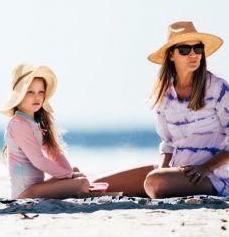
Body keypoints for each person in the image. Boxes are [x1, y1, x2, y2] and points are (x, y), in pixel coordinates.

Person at [95, 21, 228, 198]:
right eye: (184, 50)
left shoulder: (218, 88)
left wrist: (205, 167)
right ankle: (162, 184)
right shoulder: (166, 94)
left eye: (198, 48)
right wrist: (165, 170)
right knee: (99, 186)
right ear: (171, 55)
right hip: (175, 170)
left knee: (154, 182)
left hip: (213, 175)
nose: (193, 54)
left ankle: (161, 185)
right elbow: (168, 144)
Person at [1, 63, 89, 199]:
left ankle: (78, 186)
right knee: (81, 183)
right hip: (25, 193)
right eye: (30, 92)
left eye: (40, 92)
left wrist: (70, 174)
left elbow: (55, 154)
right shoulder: (18, 123)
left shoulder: (34, 123)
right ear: (19, 96)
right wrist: (69, 177)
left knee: (75, 171)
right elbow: (38, 160)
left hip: (35, 188)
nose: (37, 97)